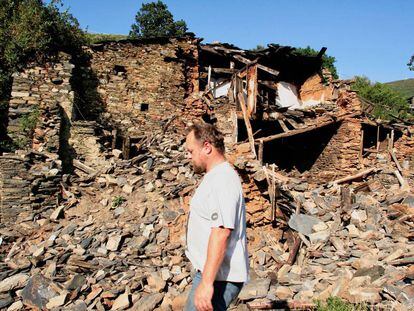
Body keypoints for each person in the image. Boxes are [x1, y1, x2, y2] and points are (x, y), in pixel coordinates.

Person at [184, 122, 249, 311]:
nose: (188, 156)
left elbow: (221, 232)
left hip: (220, 277)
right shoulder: (215, 177)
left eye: (190, 151)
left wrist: (206, 283)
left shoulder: (222, 180)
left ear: (207, 147)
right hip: (213, 274)